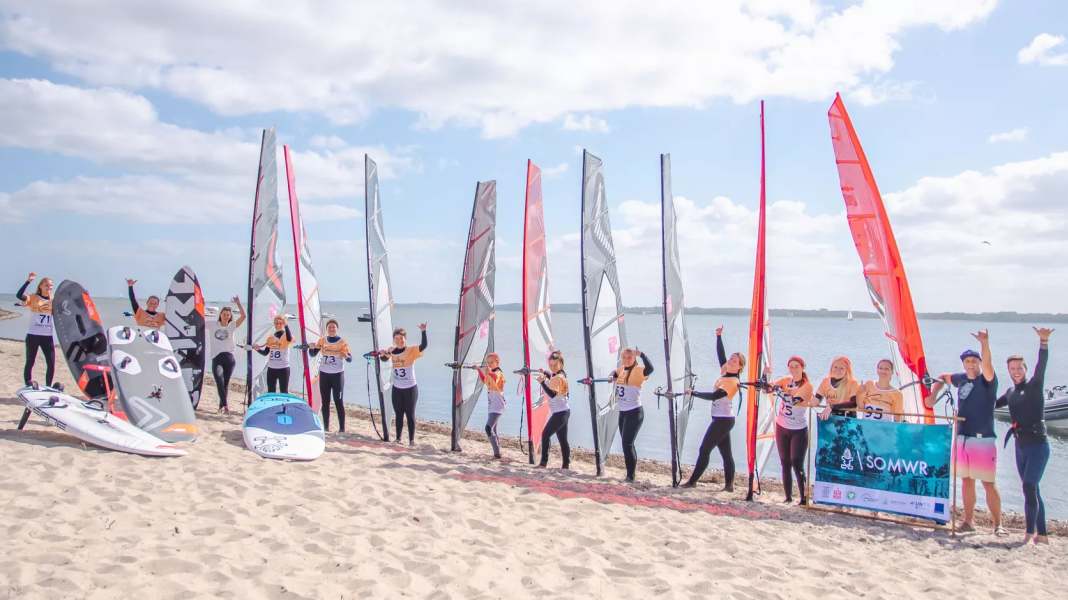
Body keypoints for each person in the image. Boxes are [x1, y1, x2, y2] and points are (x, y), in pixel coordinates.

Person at [927, 330, 1004, 535]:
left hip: (983, 438)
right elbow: (943, 377)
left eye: (974, 361)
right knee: (966, 481)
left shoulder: (987, 380)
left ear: (978, 362)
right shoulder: (961, 379)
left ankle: (999, 524)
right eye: (967, 361)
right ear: (963, 363)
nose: (971, 364)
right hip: (962, 437)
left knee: (988, 482)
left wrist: (985, 344)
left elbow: (988, 366)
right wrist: (933, 396)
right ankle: (968, 521)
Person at [997, 327, 1053, 545]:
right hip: (1020, 446)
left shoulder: (1034, 385)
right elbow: (991, 403)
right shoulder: (1010, 393)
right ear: (1009, 371)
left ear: (1025, 369)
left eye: (1020, 367)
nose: (1016, 371)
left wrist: (1044, 342)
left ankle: (1029, 534)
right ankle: (1044, 535)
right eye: (1012, 368)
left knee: (1029, 486)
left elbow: (1042, 365)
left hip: (1038, 445)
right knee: (1032, 489)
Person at [683, 326, 742, 491]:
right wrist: (718, 336)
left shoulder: (733, 381)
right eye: (731, 359)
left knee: (704, 449)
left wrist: (694, 393)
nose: (730, 361)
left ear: (739, 367)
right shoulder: (725, 372)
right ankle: (729, 486)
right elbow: (721, 355)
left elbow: (715, 396)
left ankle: (692, 481)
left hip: (723, 421)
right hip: (720, 419)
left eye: (735, 361)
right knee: (726, 454)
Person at [766, 356, 817, 504]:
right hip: (782, 427)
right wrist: (766, 375)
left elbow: (796, 400)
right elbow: (768, 388)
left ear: (802, 367)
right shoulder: (786, 380)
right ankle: (787, 497)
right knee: (785, 462)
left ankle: (803, 498)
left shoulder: (807, 386)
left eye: (797, 366)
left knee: (796, 462)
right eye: (791, 366)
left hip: (798, 430)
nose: (794, 369)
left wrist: (783, 391)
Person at [377, 324, 428, 446]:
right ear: (394, 340)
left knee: (410, 414)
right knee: (398, 414)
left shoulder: (411, 350)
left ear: (405, 339)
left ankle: (411, 440)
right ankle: (398, 438)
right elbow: (384, 359)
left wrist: (423, 331)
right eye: (397, 339)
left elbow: (424, 346)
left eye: (401, 338)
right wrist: (383, 353)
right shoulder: (392, 351)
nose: (399, 341)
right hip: (397, 389)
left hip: (410, 388)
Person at [611, 347, 654, 481]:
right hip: (622, 413)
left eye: (629, 357)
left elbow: (651, 369)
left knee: (627, 444)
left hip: (635, 413)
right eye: (624, 357)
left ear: (634, 358)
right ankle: (630, 473)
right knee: (626, 445)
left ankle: (631, 476)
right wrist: (612, 375)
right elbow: (615, 372)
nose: (626, 360)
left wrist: (642, 354)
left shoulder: (638, 370)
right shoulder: (622, 369)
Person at [310, 319, 352, 433]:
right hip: (324, 374)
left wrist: (346, 356)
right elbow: (313, 354)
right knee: (325, 401)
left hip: (337, 375)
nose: (332, 329)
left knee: (338, 401)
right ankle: (326, 427)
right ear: (327, 329)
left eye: (333, 327)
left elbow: (350, 359)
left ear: (337, 329)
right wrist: (311, 347)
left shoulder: (342, 342)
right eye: (329, 327)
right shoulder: (322, 340)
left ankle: (342, 428)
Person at [15, 272, 55, 387]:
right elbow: (19, 295)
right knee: (30, 362)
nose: (49, 288)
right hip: (33, 335)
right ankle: (28, 384)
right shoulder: (33, 298)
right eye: (47, 285)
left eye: (51, 286)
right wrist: (28, 281)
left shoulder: (54, 300)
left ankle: (48, 386)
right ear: (41, 286)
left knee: (51, 364)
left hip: (47, 337)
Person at [207, 297, 245, 413]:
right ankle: (225, 406)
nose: (226, 316)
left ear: (230, 316)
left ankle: (221, 407)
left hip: (229, 358)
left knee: (226, 383)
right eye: (224, 314)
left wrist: (238, 303)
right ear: (220, 314)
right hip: (217, 358)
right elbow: (198, 322)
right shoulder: (212, 324)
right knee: (219, 380)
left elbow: (243, 316)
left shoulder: (232, 325)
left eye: (228, 315)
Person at [537, 350, 571, 469]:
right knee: (562, 439)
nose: (552, 368)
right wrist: (545, 372)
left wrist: (542, 382)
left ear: (561, 364)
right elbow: (551, 375)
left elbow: (552, 394)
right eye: (550, 365)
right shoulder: (559, 374)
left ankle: (543, 462)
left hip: (560, 413)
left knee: (545, 435)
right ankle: (566, 464)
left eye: (555, 365)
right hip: (564, 411)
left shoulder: (559, 377)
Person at [475, 353, 506, 459]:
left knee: (488, 428)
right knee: (494, 430)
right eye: (488, 363)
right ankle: (498, 451)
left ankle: (497, 453)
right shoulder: (491, 372)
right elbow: (484, 380)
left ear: (497, 362)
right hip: (492, 405)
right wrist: (479, 370)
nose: (489, 364)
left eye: (491, 362)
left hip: (497, 405)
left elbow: (494, 377)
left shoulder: (498, 373)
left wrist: (487, 370)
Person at [253, 316, 293, 394]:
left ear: (283, 324)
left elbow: (289, 339)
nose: (278, 325)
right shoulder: (270, 337)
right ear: (274, 324)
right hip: (271, 368)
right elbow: (265, 353)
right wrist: (257, 349)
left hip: (283, 368)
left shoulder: (286, 335)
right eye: (276, 323)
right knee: (271, 392)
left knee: (284, 392)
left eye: (280, 323)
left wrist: (286, 325)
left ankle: (283, 406)